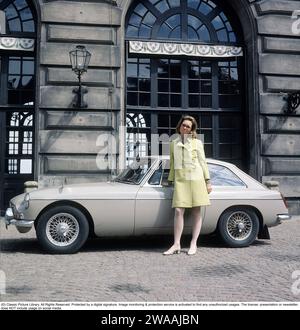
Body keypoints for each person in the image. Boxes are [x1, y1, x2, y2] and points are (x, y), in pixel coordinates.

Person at [163, 115, 212, 256]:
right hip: (181, 181)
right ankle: (176, 244)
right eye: (183, 125)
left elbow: (203, 162)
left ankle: (193, 243)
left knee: (197, 211)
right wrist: (170, 181)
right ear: (179, 126)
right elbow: (172, 164)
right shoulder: (173, 143)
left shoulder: (197, 143)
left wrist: (208, 181)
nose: (185, 128)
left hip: (196, 179)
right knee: (178, 211)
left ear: (192, 130)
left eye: (188, 126)